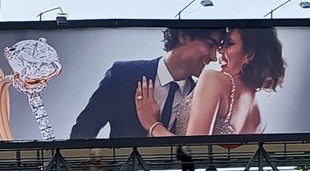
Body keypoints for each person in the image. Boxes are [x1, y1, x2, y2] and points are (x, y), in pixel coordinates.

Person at [69, 27, 222, 139]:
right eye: (210, 45)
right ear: (183, 36)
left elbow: (194, 154)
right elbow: (83, 132)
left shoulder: (201, 97)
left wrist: (153, 124)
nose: (214, 57)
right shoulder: (122, 75)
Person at [135, 27, 286, 138]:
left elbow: (194, 151)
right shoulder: (259, 116)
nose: (219, 51)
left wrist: (153, 125)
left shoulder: (213, 79)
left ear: (249, 55)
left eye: (229, 43)